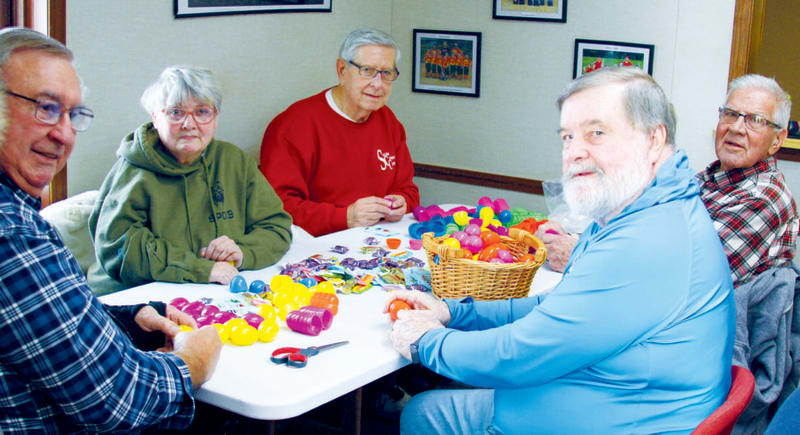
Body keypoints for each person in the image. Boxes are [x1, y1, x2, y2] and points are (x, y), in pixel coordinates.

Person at [387, 67, 735, 434]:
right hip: (584, 403)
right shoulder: (638, 209)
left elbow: (518, 356)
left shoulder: (647, 240)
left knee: (424, 412)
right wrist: (453, 313)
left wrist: (426, 342)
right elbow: (555, 310)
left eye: (595, 133)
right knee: (423, 411)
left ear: (654, 139)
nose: (574, 153)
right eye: (568, 137)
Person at [0, 27, 221, 432]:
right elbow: (117, 402)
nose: (63, 134)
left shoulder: (19, 214)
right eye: (45, 108)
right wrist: (194, 363)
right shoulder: (11, 236)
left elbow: (43, 320)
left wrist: (129, 317)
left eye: (72, 115)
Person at [89, 65, 292, 295]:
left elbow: (276, 227)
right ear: (156, 117)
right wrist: (203, 269)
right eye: (176, 112)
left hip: (213, 291)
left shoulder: (234, 161)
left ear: (215, 118)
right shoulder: (133, 172)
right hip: (137, 298)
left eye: (202, 112)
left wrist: (241, 252)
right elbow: (121, 250)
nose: (189, 124)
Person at [259, 28, 420, 236]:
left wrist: (402, 202)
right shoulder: (293, 126)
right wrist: (346, 217)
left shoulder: (388, 120)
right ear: (342, 70)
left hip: (378, 240)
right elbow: (277, 208)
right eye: (367, 71)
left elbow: (409, 190)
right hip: (317, 247)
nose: (377, 84)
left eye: (386, 73)